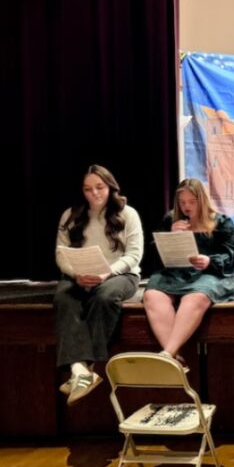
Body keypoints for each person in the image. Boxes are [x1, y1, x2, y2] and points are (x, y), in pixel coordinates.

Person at [53, 165, 144, 403]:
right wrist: (76, 275)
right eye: (88, 189)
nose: (94, 193)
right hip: (81, 275)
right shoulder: (70, 215)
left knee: (104, 296)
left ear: (110, 187)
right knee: (63, 297)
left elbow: (134, 255)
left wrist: (107, 273)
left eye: (100, 187)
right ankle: (80, 370)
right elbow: (61, 254)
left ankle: (83, 368)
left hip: (121, 275)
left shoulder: (128, 214)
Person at [142, 179, 234, 366]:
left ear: (202, 200)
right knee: (152, 294)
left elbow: (233, 257)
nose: (186, 207)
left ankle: (168, 354)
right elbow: (153, 255)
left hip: (210, 273)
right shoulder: (171, 219)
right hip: (176, 272)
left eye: (191, 202)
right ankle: (175, 359)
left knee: (195, 296)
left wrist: (210, 261)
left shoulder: (221, 222)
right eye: (182, 202)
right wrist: (170, 236)